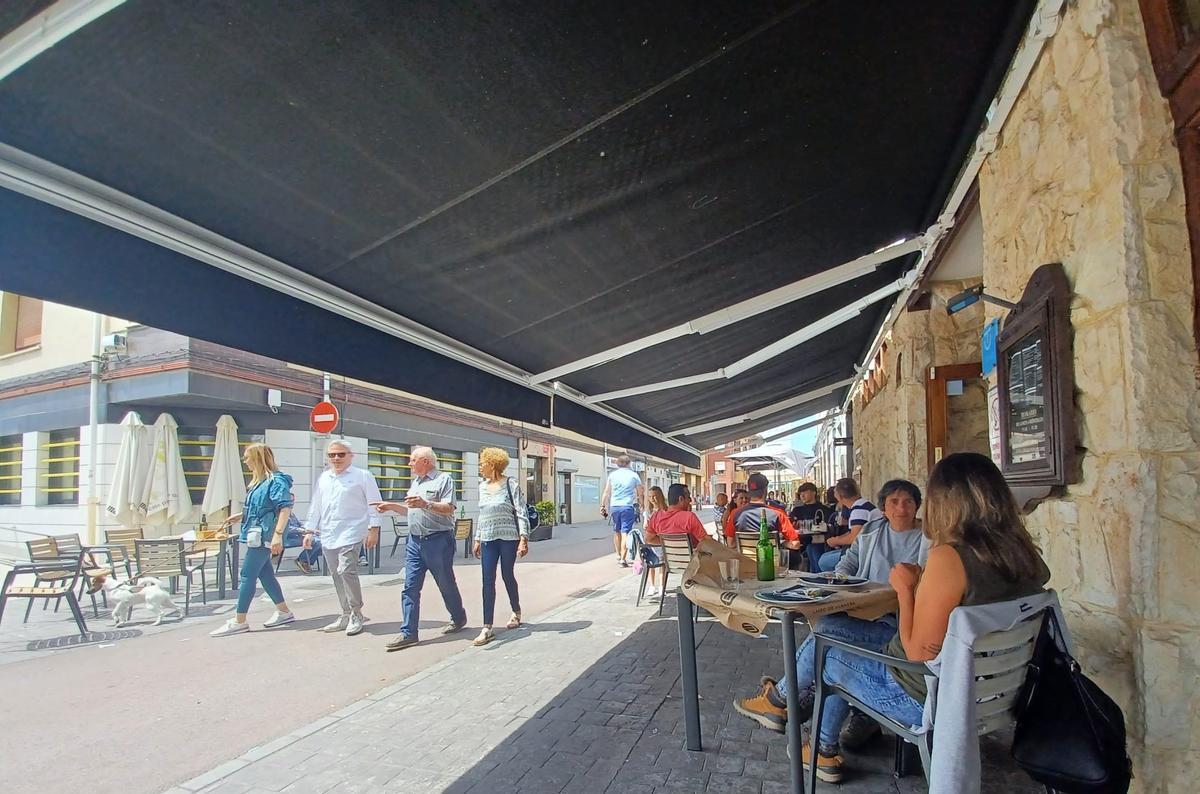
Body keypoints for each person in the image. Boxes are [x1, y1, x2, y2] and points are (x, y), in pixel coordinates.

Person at [815, 456, 1048, 782]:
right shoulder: (1024, 553)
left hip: (930, 697)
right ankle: (784, 705)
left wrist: (906, 590)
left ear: (945, 501)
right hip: (1000, 692)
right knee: (829, 630)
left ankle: (817, 747)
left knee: (828, 651)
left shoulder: (950, 556)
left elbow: (917, 654)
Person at [733, 479, 929, 754]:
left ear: (917, 506)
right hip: (861, 613)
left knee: (826, 633)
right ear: (883, 507)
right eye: (894, 501)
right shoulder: (872, 530)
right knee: (830, 641)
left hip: (895, 624)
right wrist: (837, 577)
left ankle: (781, 700)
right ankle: (822, 748)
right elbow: (849, 563)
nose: (901, 508)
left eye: (908, 501)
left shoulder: (927, 540)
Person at [377, 446, 468, 651]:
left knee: (445, 583)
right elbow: (411, 510)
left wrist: (425, 504)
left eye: (412, 460)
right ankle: (409, 633)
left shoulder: (444, 480)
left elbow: (448, 509)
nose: (409, 464)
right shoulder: (416, 482)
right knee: (410, 587)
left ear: (425, 461)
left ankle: (458, 617)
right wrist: (391, 506)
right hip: (414, 542)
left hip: (438, 541)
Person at [210, 443, 295, 637]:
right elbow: (263, 508)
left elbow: (284, 508)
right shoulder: (262, 482)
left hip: (263, 535)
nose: (245, 461)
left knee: (247, 574)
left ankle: (240, 620)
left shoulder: (275, 481)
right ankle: (284, 611)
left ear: (257, 459)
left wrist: (278, 535)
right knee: (265, 574)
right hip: (258, 533)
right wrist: (240, 515)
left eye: (247, 457)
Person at [303, 439, 382, 637]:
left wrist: (374, 529)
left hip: (353, 531)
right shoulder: (324, 478)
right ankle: (345, 612)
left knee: (346, 569)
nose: (336, 458)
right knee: (335, 574)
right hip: (329, 532)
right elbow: (316, 506)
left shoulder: (362, 476)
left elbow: (375, 503)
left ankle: (356, 612)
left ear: (350, 456)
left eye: (341, 454)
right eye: (332, 455)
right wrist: (309, 531)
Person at [470, 447, 530, 647]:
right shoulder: (482, 486)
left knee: (506, 574)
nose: (480, 467)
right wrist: (477, 538)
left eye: (482, 463)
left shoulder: (510, 484)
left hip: (508, 537)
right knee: (487, 579)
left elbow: (521, 511)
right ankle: (487, 627)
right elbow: (482, 514)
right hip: (488, 538)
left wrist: (523, 538)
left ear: (492, 464)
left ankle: (516, 611)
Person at [722, 473, 802, 557]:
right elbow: (795, 544)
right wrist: (780, 542)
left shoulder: (736, 513)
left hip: (746, 563)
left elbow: (730, 544)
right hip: (771, 564)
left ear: (749, 492)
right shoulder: (778, 514)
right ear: (765, 490)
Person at [817, 478, 882, 572]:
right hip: (866, 547)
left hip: (868, 551)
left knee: (824, 561)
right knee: (824, 556)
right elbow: (853, 533)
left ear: (839, 497)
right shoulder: (861, 505)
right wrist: (836, 540)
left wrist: (835, 541)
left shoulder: (859, 510)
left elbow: (853, 538)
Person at [600, 455, 645, 567]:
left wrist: (602, 505)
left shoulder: (613, 475)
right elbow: (640, 492)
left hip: (614, 506)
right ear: (629, 463)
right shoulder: (634, 476)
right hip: (627, 506)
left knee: (617, 530)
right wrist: (642, 504)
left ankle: (619, 554)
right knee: (625, 532)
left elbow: (606, 492)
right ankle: (623, 559)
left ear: (617, 464)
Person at [636, 485, 669, 597]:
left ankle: (661, 586)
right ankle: (652, 586)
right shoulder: (648, 512)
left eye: (655, 496)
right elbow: (646, 527)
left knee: (662, 564)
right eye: (650, 496)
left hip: (660, 541)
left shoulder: (666, 511)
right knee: (651, 562)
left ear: (660, 497)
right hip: (651, 542)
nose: (652, 499)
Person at [788, 482, 828, 572]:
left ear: (814, 493)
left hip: (819, 541)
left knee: (813, 548)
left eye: (805, 492)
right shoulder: (797, 510)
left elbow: (827, 528)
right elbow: (790, 525)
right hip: (799, 543)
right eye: (800, 494)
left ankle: (817, 576)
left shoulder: (823, 510)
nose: (802, 495)